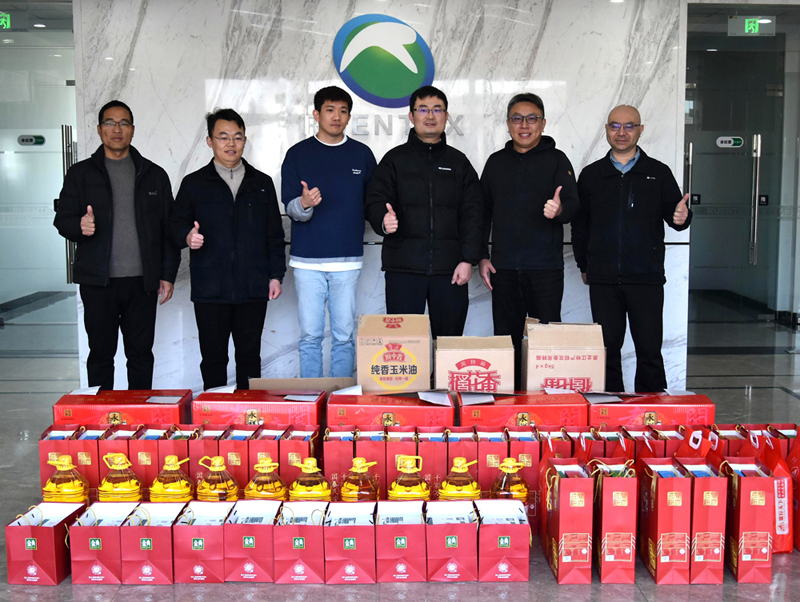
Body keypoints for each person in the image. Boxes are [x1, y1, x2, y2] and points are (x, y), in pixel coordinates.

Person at [54, 100, 179, 390]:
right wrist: (79, 226)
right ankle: (100, 415)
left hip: (142, 283)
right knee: (100, 356)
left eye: (123, 123)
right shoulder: (80, 174)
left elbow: (169, 229)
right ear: (99, 129)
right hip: (98, 283)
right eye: (110, 123)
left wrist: (167, 274)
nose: (117, 129)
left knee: (140, 355)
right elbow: (63, 220)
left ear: (133, 129)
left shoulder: (154, 174)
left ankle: (139, 414)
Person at [572, 104, 692, 393]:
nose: (622, 132)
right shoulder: (591, 174)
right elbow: (580, 225)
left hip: (646, 278)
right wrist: (584, 265)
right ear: (606, 130)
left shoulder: (658, 172)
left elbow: (676, 216)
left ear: (640, 130)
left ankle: (652, 412)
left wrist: (683, 217)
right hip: (603, 279)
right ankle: (609, 411)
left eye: (629, 126)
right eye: (615, 125)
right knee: (607, 351)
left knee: (649, 351)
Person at [169, 108, 286, 390]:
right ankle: (214, 413)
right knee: (213, 359)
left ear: (245, 140)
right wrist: (187, 236)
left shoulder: (261, 183)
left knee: (250, 358)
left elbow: (274, 234)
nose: (231, 143)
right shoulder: (194, 183)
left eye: (237, 137)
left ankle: (250, 413)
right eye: (223, 137)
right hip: (210, 287)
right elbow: (174, 224)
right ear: (210, 141)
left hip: (253, 286)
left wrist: (275, 275)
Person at [365, 85, 483, 338]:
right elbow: (375, 200)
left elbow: (474, 213)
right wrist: (383, 220)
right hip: (403, 269)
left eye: (437, 110)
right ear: (411, 116)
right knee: (404, 345)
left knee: (449, 344)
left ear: (446, 116)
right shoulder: (394, 160)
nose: (430, 116)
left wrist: (467, 260)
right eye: (423, 109)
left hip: (450, 270)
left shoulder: (458, 162)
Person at [479, 93, 579, 389]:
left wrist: (559, 210)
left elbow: (574, 205)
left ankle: (542, 403)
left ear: (543, 124)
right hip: (504, 268)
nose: (525, 125)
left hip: (545, 269)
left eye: (532, 118)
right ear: (508, 124)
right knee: (506, 341)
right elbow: (481, 213)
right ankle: (508, 402)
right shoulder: (496, 162)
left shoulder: (557, 160)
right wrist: (481, 256)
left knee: (545, 343)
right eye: (517, 118)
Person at [281, 86, 376, 378]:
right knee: (310, 336)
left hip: (347, 261)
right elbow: (290, 207)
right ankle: (310, 397)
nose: (337, 117)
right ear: (316, 114)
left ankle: (341, 397)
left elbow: (373, 203)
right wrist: (304, 204)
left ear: (349, 117)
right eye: (330, 110)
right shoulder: (297, 154)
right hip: (307, 262)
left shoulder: (362, 155)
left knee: (344, 336)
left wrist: (386, 218)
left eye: (343, 111)